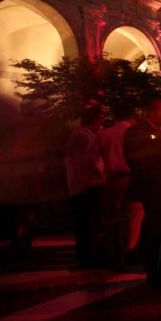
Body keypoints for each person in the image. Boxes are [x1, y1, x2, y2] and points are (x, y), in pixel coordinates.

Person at [124, 98, 161, 281]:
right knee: (145, 225)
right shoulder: (136, 132)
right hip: (146, 188)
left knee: (156, 225)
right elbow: (135, 159)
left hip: (160, 189)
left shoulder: (160, 132)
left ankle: (155, 262)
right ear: (152, 112)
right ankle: (140, 258)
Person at [93, 103, 137, 262]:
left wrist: (100, 174)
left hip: (113, 180)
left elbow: (92, 160)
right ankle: (130, 252)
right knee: (133, 218)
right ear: (132, 116)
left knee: (112, 218)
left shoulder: (104, 135)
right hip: (133, 178)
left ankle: (113, 253)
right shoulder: (136, 133)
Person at [65, 103, 106, 267]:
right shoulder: (84, 136)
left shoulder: (79, 135)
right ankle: (88, 257)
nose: (101, 123)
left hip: (79, 186)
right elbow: (88, 161)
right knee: (88, 224)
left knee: (84, 224)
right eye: (100, 119)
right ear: (95, 120)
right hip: (86, 186)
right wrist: (99, 175)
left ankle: (86, 255)